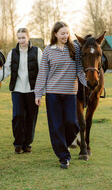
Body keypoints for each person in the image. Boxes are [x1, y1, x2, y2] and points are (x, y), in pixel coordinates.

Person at [34, 21, 87, 169]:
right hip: (53, 94)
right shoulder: (48, 51)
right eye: (62, 33)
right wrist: (38, 93)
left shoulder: (75, 49)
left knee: (72, 123)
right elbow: (43, 73)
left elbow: (79, 70)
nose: (65, 36)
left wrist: (89, 84)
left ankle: (63, 144)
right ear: (55, 34)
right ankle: (64, 157)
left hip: (70, 93)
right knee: (56, 126)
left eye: (67, 33)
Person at [0, 28, 43, 154]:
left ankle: (27, 144)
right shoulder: (12, 53)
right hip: (17, 90)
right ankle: (18, 143)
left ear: (28, 38)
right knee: (18, 116)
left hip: (32, 91)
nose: (21, 40)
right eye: (19, 38)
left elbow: (42, 71)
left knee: (31, 118)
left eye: (23, 38)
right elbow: (7, 68)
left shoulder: (37, 52)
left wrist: (41, 92)